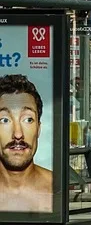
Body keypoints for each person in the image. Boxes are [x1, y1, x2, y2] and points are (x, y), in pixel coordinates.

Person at [0, 74, 53, 213]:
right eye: (5, 120)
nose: (18, 134)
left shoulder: (55, 187)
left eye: (28, 120)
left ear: (39, 128)